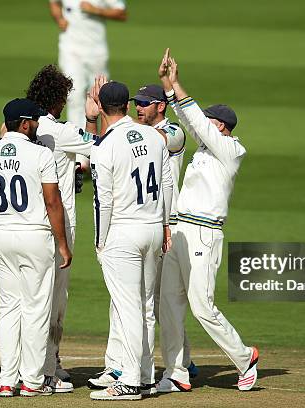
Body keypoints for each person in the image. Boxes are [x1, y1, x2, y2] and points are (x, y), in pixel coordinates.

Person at [156, 49, 259, 393]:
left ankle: (244, 357)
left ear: (221, 127)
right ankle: (177, 371)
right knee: (168, 301)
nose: (202, 125)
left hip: (204, 233)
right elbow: (191, 122)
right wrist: (168, 89)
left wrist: (178, 85)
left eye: (209, 122)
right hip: (180, 230)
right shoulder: (205, 149)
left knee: (202, 307)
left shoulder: (232, 151)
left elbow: (195, 120)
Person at [88, 84, 195, 392]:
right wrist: (163, 227)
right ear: (126, 104)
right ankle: (146, 376)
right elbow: (166, 184)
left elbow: (103, 201)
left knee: (128, 308)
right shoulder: (152, 136)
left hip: (122, 231)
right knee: (146, 306)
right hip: (152, 228)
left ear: (102, 105)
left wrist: (100, 240)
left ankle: (131, 380)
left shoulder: (104, 146)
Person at [0, 98, 72, 397]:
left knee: (8, 308)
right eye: (33, 121)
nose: (36, 126)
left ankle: (7, 380)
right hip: (35, 235)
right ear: (23, 123)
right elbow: (52, 201)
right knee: (35, 309)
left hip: (2, 235)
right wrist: (63, 243)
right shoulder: (41, 154)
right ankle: (32, 381)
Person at [25, 64, 99, 393]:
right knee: (53, 299)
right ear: (57, 100)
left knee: (29, 298)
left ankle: (39, 363)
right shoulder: (61, 131)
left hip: (24, 223)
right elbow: (104, 147)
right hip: (58, 224)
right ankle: (45, 369)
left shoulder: (19, 130)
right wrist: (94, 116)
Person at [48, 0, 127, 127]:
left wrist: (96, 10)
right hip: (70, 49)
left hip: (96, 52)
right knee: (74, 95)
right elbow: (54, 3)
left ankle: (104, 136)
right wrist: (60, 18)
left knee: (100, 96)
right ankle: (78, 137)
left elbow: (122, 14)